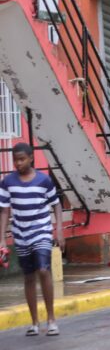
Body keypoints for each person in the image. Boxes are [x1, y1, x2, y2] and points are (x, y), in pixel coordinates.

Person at [0, 143, 64, 336]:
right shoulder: (7, 182)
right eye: (15, 160)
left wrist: (58, 230)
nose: (18, 163)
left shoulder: (44, 181)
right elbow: (4, 210)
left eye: (21, 159)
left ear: (31, 158)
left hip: (41, 231)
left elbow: (57, 205)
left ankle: (51, 319)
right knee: (28, 276)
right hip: (21, 234)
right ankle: (34, 322)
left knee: (43, 270)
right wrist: (2, 238)